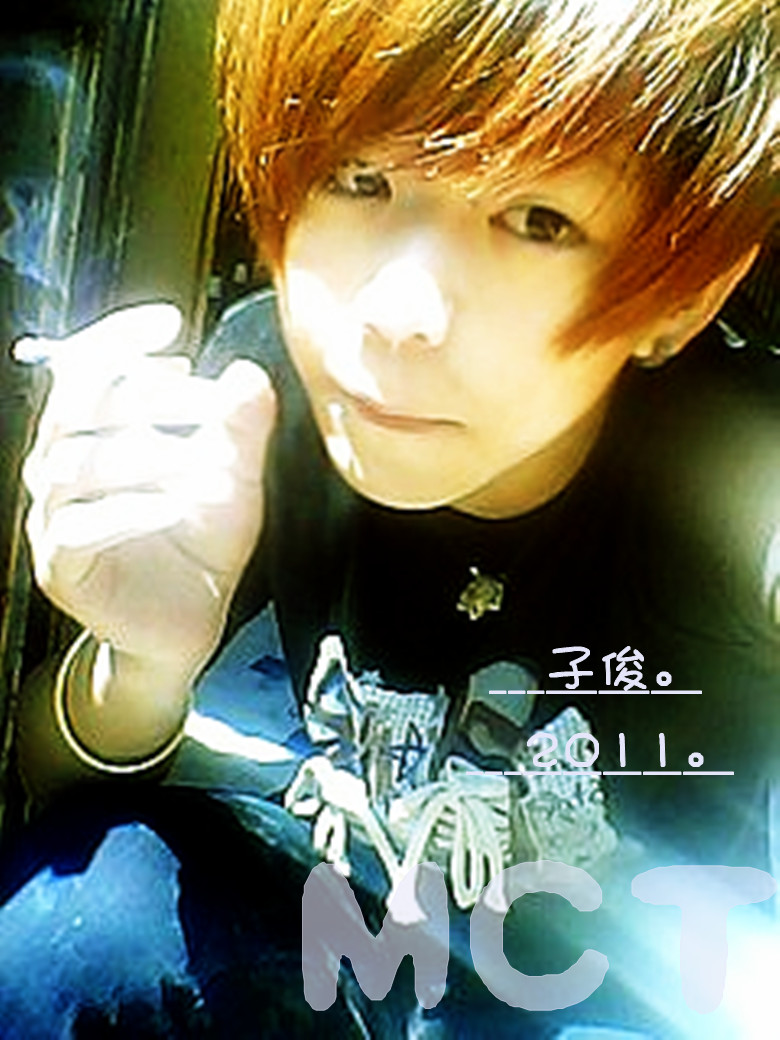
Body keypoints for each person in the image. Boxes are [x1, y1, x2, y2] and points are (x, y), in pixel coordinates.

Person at [3, 0, 779, 1036]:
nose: (398, 311)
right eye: (359, 180)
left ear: (684, 296)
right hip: (351, 944)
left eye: (539, 221)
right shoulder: (265, 397)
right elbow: (51, 785)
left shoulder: (735, 460)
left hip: (641, 994)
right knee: (80, 922)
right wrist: (142, 663)